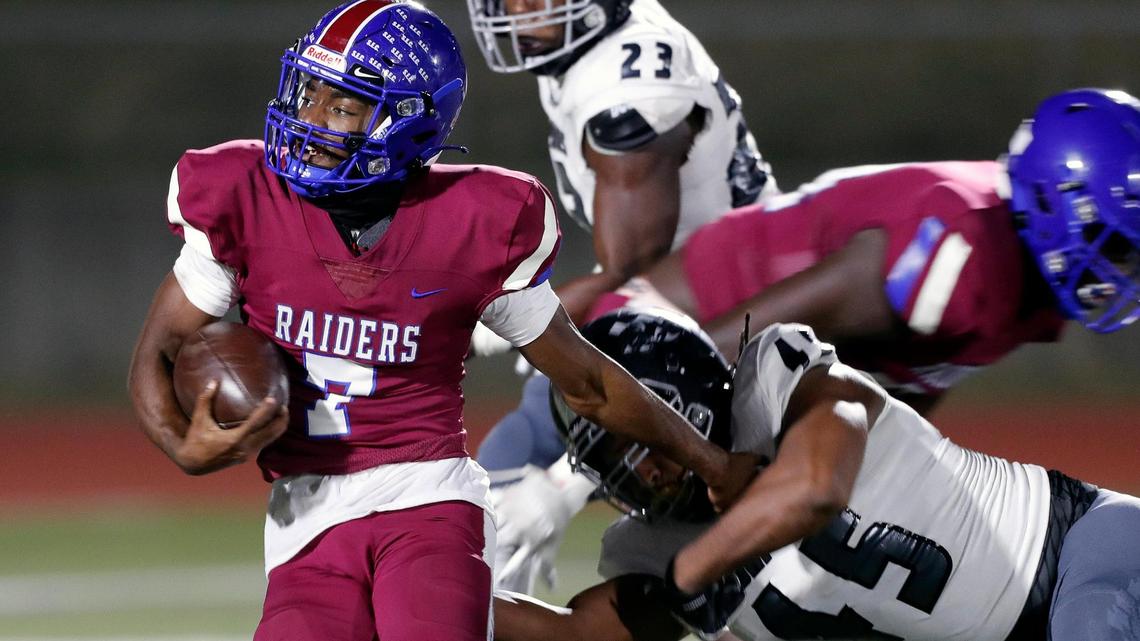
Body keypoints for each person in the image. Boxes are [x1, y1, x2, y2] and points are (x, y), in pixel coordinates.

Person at [126, 2, 755, 640]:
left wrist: (711, 462)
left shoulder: (476, 224)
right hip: (306, 513)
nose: (309, 120)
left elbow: (588, 381)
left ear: (408, 122)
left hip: (427, 497)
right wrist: (181, 442)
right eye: (308, 92)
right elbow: (160, 349)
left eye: (341, 106)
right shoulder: (245, 196)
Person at [480, 86, 1140, 595]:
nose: (1126, 269)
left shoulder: (1018, 284)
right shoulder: (962, 252)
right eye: (1117, 244)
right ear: (1058, 205)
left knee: (755, 584)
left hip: (727, 382)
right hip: (657, 347)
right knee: (491, 529)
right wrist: (575, 475)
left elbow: (888, 390)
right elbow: (725, 341)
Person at [494, 308, 1140, 641]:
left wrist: (694, 574)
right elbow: (578, 633)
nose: (646, 477)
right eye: (615, 466)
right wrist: (411, 600)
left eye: (640, 447)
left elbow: (817, 486)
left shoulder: (779, 380)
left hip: (1081, 551)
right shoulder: (650, 546)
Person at [465, 0, 776, 592]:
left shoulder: (628, 86)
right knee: (514, 459)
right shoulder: (592, 50)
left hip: (722, 321)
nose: (519, 9)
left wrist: (565, 484)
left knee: (707, 541)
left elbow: (638, 261)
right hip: (673, 301)